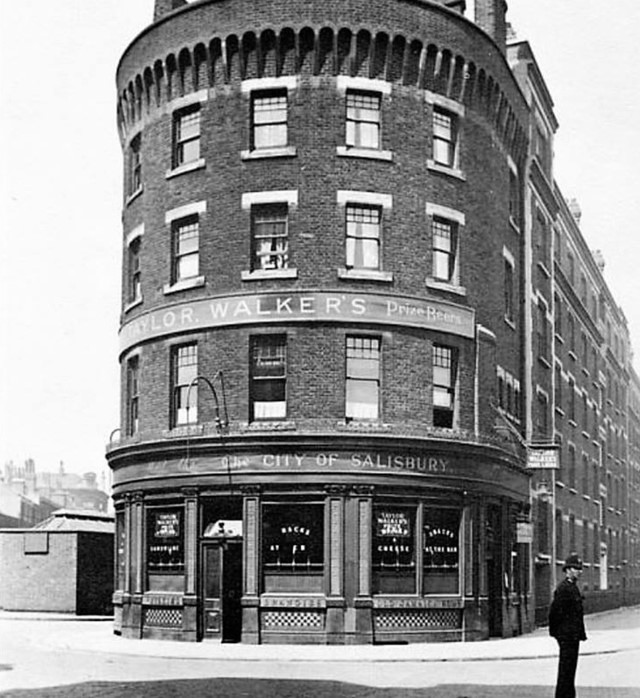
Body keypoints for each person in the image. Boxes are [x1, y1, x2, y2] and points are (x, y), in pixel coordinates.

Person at [548, 553, 587, 698]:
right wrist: (558, 634)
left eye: (580, 569)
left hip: (573, 636)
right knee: (566, 670)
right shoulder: (563, 589)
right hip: (567, 636)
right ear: (568, 570)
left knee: (570, 670)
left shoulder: (573, 587)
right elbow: (554, 613)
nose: (579, 571)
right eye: (576, 568)